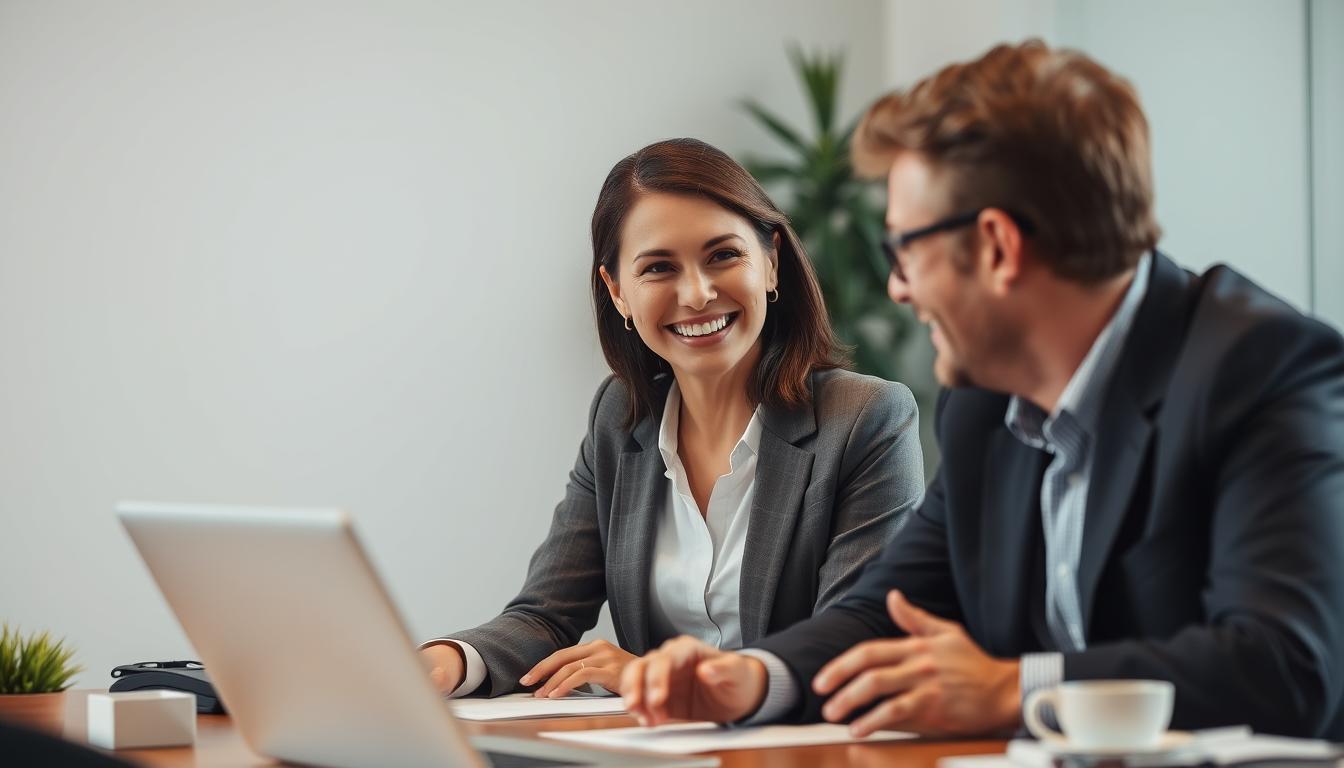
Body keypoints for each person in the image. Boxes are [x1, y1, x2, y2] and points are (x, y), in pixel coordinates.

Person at [621, 41, 1344, 739]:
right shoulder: (986, 405)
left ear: (997, 246)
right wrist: (752, 678)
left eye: (904, 248)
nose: (898, 289)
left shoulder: (1262, 368)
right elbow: (885, 612)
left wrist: (1012, 688)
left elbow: (1286, 666)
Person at [419, 138, 925, 700]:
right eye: (659, 268)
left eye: (723, 256)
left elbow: (851, 645)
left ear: (771, 262)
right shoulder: (620, 418)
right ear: (618, 293)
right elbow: (545, 616)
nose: (698, 293)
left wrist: (653, 678)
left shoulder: (866, 419)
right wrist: (444, 662)